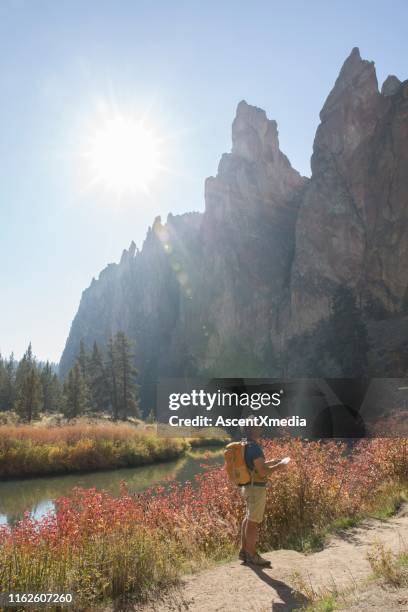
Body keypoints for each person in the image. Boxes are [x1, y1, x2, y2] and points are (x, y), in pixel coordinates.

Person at [239, 424, 288, 567]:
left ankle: (244, 552)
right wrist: (279, 466)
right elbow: (262, 472)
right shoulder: (254, 447)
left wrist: (270, 462)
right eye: (257, 427)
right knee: (253, 522)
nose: (260, 430)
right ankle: (252, 555)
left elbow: (254, 466)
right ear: (250, 429)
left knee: (248, 519)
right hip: (256, 489)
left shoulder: (245, 445)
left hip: (248, 486)